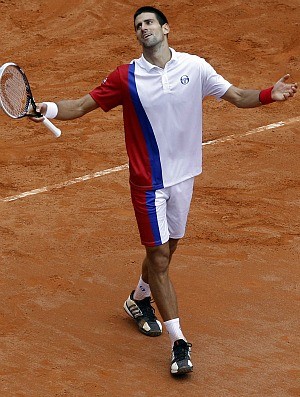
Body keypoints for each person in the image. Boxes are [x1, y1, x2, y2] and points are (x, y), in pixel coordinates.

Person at [32, 6, 297, 376]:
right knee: (158, 257)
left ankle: (138, 300)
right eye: (138, 25)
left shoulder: (195, 67)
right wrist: (48, 108)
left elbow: (237, 96)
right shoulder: (126, 77)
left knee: (170, 247)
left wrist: (272, 93)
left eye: (149, 22)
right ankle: (179, 343)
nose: (143, 28)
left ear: (165, 28)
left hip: (185, 175)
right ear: (136, 35)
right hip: (148, 182)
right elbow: (81, 105)